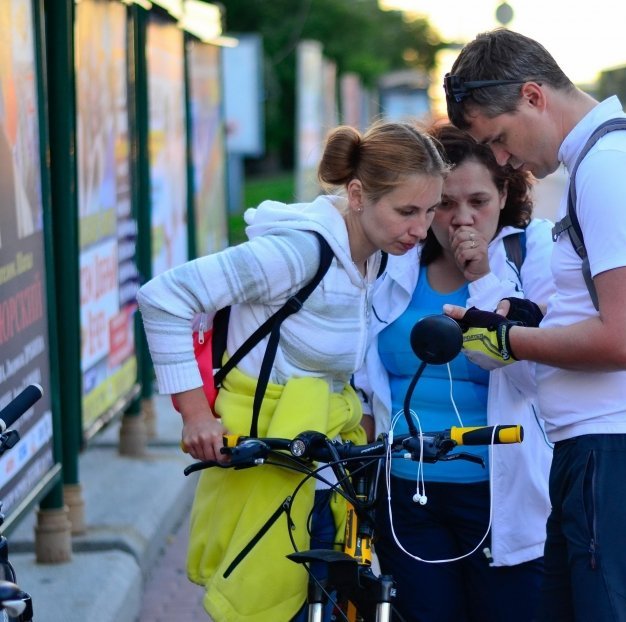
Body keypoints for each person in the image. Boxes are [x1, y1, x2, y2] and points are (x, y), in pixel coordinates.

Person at [441, 29, 626, 622]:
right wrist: (535, 320)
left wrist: (508, 338)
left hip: (622, 455)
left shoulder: (611, 168)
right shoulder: (607, 159)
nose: (505, 160)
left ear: (534, 96)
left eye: (500, 140)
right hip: (601, 455)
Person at [137, 121, 447, 621]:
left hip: (325, 465)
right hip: (266, 460)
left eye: (430, 210)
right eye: (407, 211)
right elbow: (163, 297)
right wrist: (195, 414)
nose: (419, 229)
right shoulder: (301, 253)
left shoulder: (374, 257)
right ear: (357, 194)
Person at [354, 122, 555, 622]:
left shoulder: (534, 256)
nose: (461, 219)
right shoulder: (392, 262)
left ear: (506, 193)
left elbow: (534, 376)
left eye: (479, 201)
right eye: (444, 202)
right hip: (406, 488)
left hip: (498, 494)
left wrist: (482, 280)